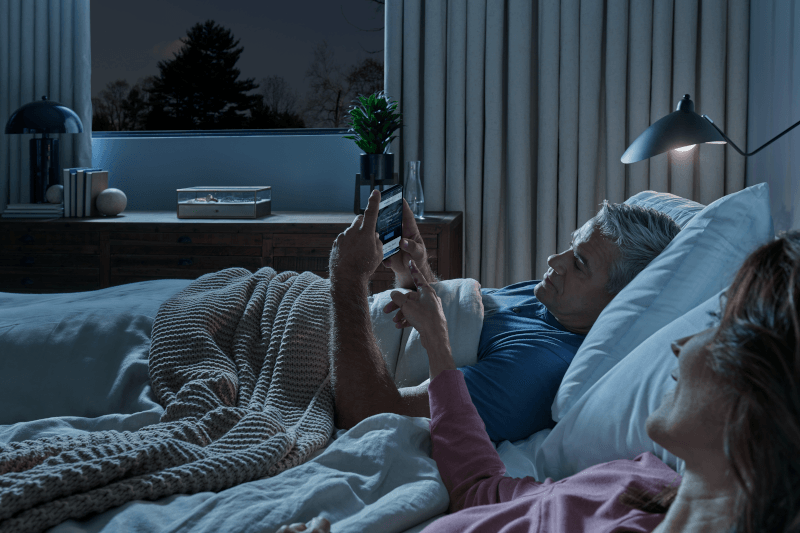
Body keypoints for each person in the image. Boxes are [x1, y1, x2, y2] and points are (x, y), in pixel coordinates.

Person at [328, 189, 681, 441]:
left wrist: (347, 277)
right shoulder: (553, 299)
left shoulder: (533, 369)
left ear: (622, 300)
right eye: (571, 247)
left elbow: (370, 413)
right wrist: (413, 272)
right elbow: (453, 318)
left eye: (579, 264)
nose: (554, 262)